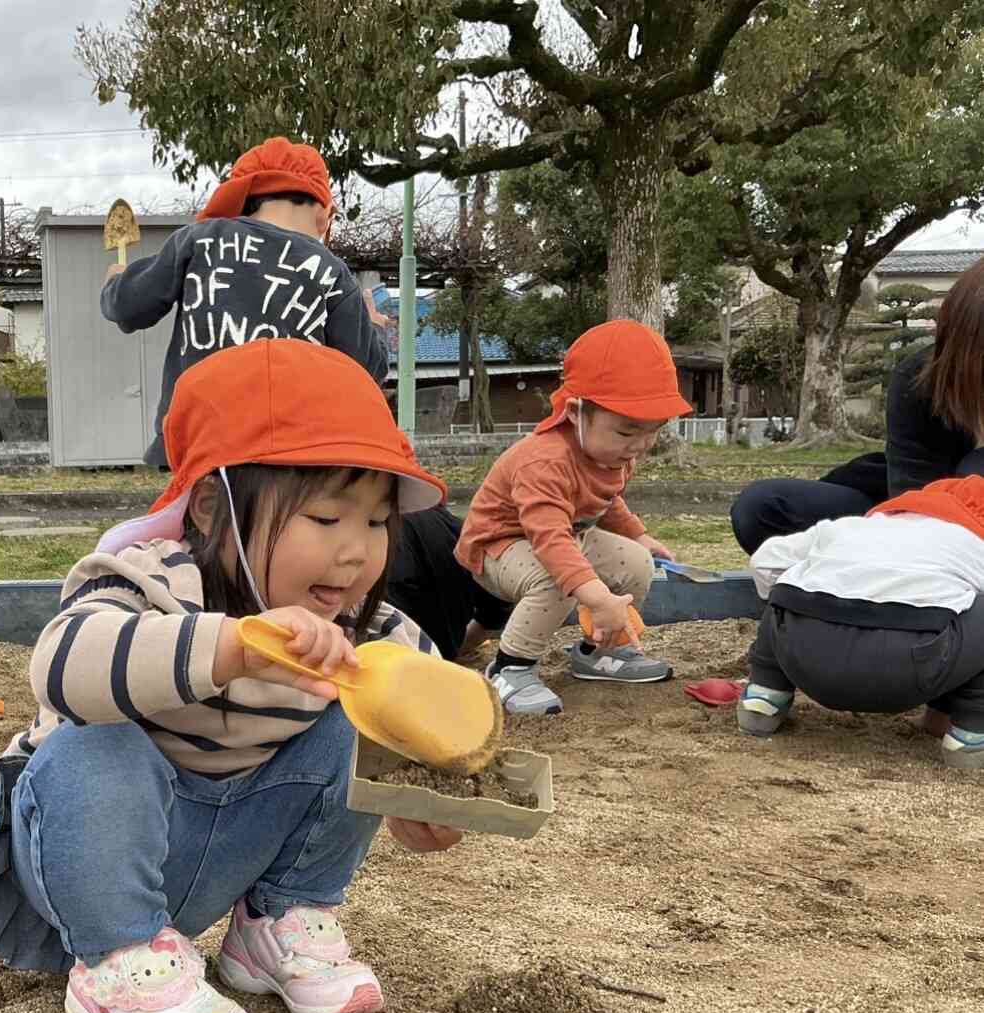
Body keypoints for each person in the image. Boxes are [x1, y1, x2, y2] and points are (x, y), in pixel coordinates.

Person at [0, 339, 465, 1013]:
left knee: (361, 710)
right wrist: (235, 646)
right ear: (210, 506)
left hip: (233, 846)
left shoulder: (369, 632)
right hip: (87, 863)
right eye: (327, 517)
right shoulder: (151, 582)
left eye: (377, 522)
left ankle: (280, 918)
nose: (357, 551)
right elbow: (61, 664)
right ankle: (120, 962)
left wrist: (423, 807)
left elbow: (433, 729)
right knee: (92, 744)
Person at [100, 136, 388, 467]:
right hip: (291, 451)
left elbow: (129, 308)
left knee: (201, 501)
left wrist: (116, 282)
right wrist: (375, 327)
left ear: (242, 199)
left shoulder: (201, 239)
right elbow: (367, 369)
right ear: (325, 213)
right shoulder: (331, 271)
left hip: (199, 439)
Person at [454, 320, 687, 715]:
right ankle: (510, 667)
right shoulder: (545, 461)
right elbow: (550, 541)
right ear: (577, 413)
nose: (640, 445)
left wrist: (638, 536)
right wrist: (597, 597)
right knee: (558, 578)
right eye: (627, 432)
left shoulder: (613, 453)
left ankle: (601, 652)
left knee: (636, 563)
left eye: (653, 432)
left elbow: (606, 498)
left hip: (561, 537)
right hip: (498, 546)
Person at [731, 255, 984, 555]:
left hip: (961, 533)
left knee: (974, 470)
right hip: (911, 514)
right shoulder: (921, 380)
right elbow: (913, 503)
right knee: (761, 506)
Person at [739, 475, 984, 769]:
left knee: (788, 589)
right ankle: (970, 733)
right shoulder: (975, 542)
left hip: (802, 654)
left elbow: (764, 562)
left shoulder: (849, 527)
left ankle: (764, 695)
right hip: (912, 667)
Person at [386, 506, 512, 661]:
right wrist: (457, 649)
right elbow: (499, 606)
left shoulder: (378, 536)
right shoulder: (457, 528)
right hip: (440, 657)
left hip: (400, 662)